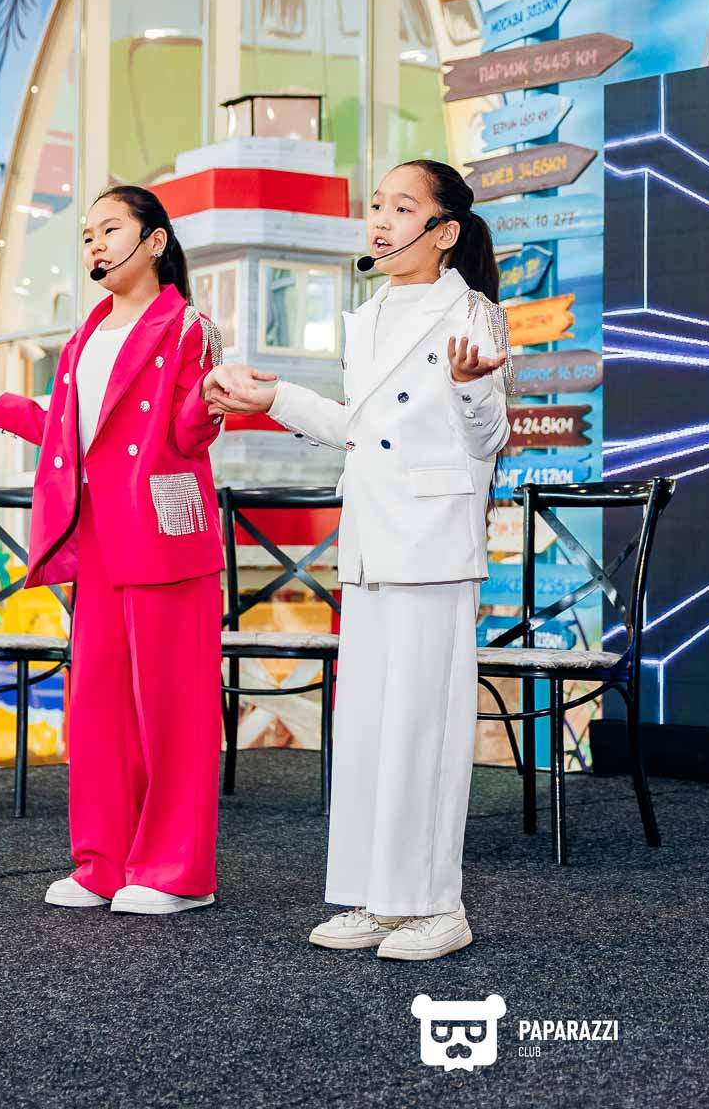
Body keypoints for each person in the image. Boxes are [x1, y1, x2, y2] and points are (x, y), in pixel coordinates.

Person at [206, 159, 510, 961]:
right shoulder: (367, 316)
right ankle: (377, 898)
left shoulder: (472, 313)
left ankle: (436, 906)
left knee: (423, 729)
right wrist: (273, 398)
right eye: (376, 204)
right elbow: (356, 427)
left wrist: (472, 387)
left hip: (434, 541)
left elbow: (489, 438)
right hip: (371, 541)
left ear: (444, 232)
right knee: (371, 727)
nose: (379, 220)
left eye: (401, 208)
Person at [0, 184, 226, 916]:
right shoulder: (83, 337)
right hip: (100, 535)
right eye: (87, 235)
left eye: (111, 229)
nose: (95, 245)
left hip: (167, 535)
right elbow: (73, 434)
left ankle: (178, 874)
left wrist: (213, 402)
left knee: (173, 709)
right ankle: (104, 863)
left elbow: (187, 431)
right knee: (99, 703)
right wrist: (6, 407)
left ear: (155, 242)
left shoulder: (189, 328)